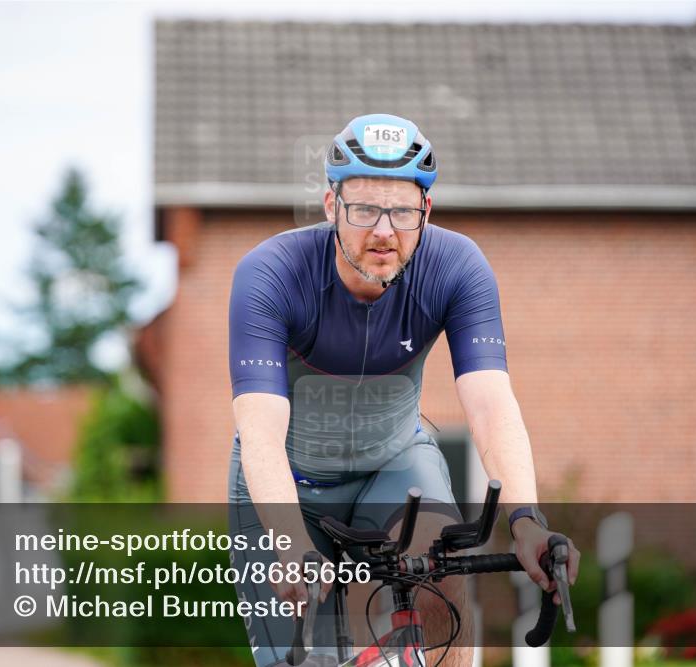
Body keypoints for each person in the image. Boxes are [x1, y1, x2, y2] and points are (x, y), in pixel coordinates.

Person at [227, 113, 579, 667]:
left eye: (403, 211)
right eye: (364, 209)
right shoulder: (271, 273)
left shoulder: (457, 267)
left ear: (427, 211)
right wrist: (288, 538)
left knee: (441, 583)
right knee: (301, 657)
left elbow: (491, 407)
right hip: (288, 481)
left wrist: (526, 522)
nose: (385, 231)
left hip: (395, 465)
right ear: (330, 207)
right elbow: (260, 429)